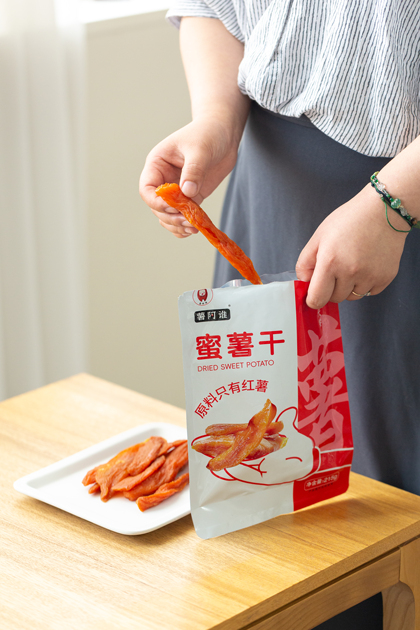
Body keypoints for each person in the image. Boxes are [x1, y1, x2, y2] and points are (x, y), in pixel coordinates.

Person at [140, 3, 420, 627]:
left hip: (401, 204)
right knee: (264, 487)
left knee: (392, 508)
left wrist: (395, 202)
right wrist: (216, 119)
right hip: (266, 181)